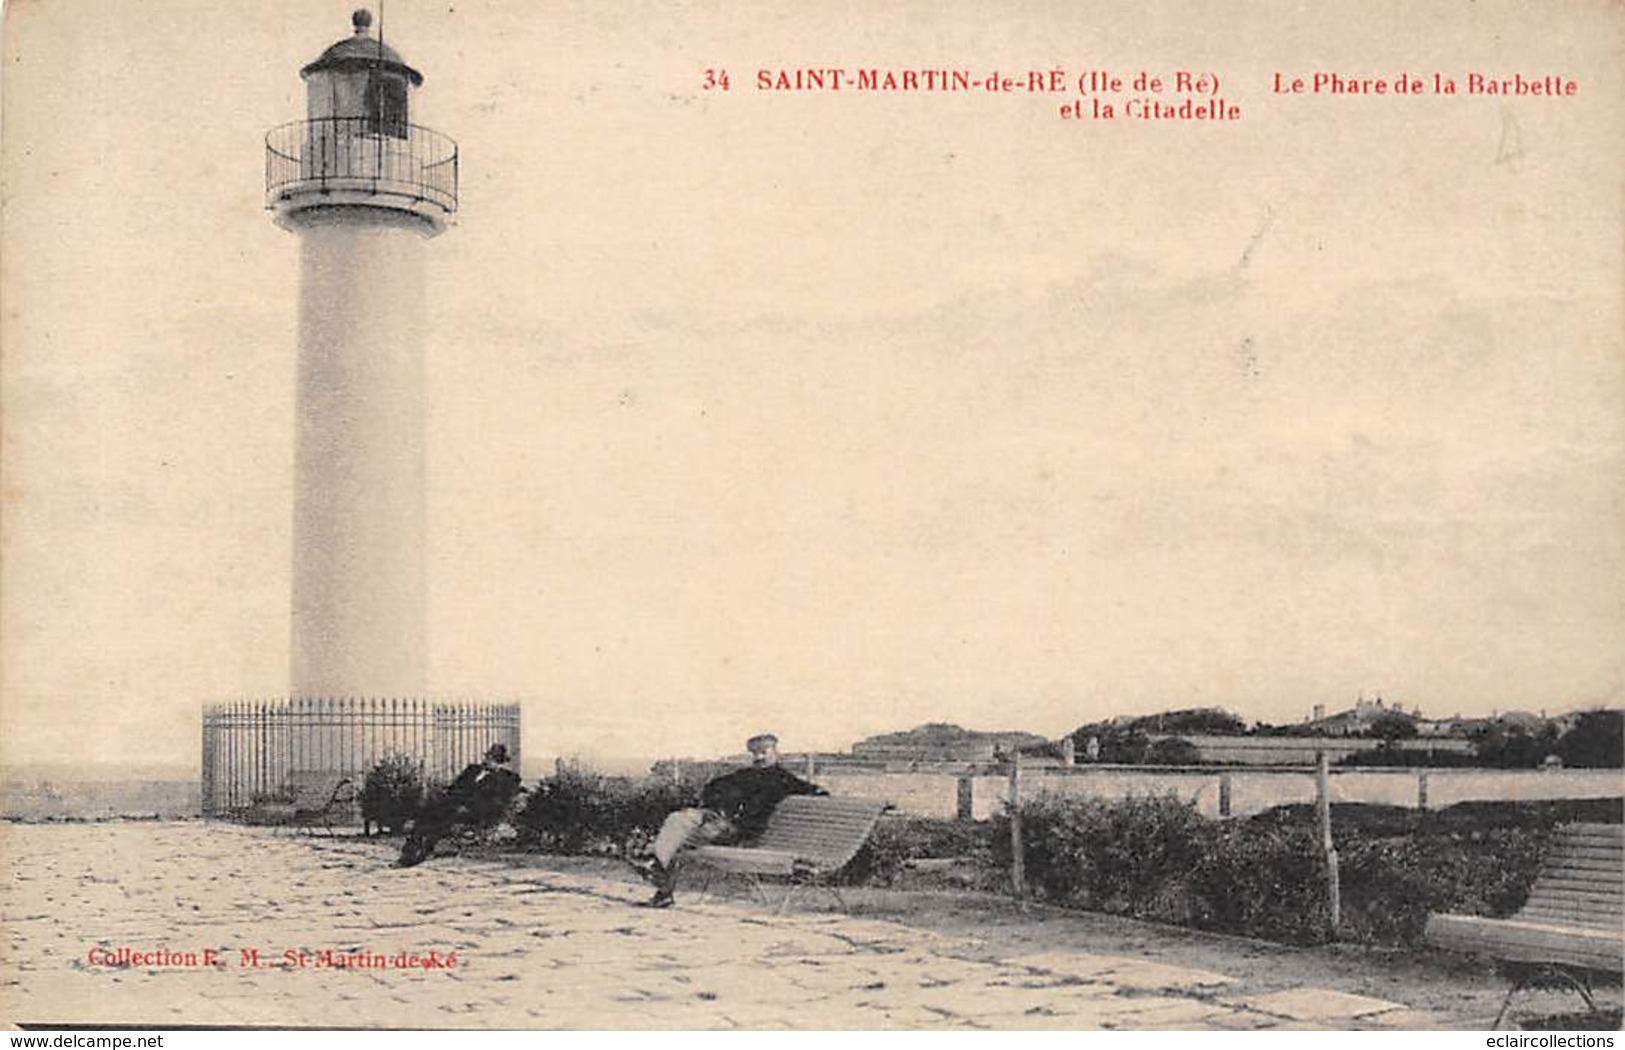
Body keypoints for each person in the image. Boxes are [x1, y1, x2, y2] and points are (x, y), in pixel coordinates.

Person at [632, 733, 825, 907]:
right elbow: (714, 786)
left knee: (682, 841)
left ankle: (660, 879)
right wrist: (716, 801)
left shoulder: (784, 779)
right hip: (718, 819)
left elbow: (812, 790)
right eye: (754, 753)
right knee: (678, 819)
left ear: (776, 752)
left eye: (763, 752)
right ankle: (655, 864)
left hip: (738, 831)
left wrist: (820, 793)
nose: (758, 757)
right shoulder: (745, 775)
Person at [397, 743, 523, 868]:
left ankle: (421, 853)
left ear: (500, 762)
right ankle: (409, 853)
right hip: (453, 804)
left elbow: (496, 803)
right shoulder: (473, 769)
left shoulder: (506, 779)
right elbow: (454, 787)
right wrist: (447, 797)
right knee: (424, 816)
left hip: (476, 812)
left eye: (492, 759)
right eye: (487, 757)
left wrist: (468, 806)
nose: (487, 760)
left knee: (440, 822)